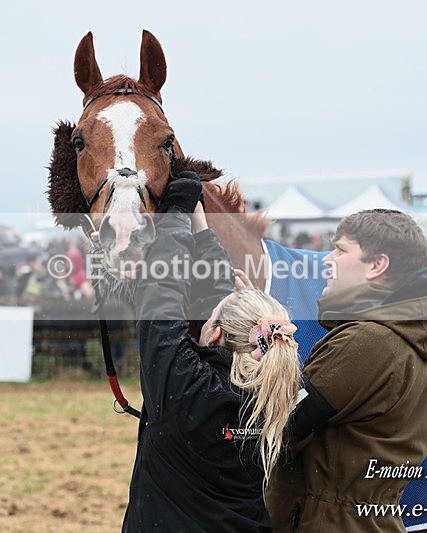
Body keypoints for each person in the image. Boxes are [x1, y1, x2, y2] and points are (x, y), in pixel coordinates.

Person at [123, 174, 302, 532]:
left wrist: (176, 213)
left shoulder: (188, 384)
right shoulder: (277, 388)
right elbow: (175, 303)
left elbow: (160, 292)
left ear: (216, 333)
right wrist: (200, 224)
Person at [265, 208, 427, 532]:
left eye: (341, 250)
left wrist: (251, 335)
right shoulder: (383, 335)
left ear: (377, 265)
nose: (327, 259)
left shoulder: (370, 340)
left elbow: (280, 421)